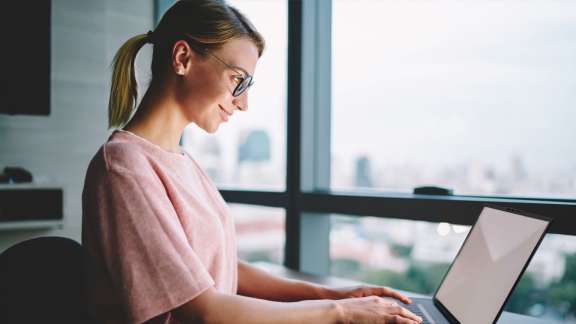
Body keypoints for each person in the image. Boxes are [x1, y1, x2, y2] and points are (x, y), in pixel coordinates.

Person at [82, 1, 423, 323]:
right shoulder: (123, 167)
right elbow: (206, 310)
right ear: (183, 58)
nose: (243, 103)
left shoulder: (181, 161)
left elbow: (221, 270)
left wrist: (335, 294)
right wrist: (339, 312)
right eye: (237, 80)